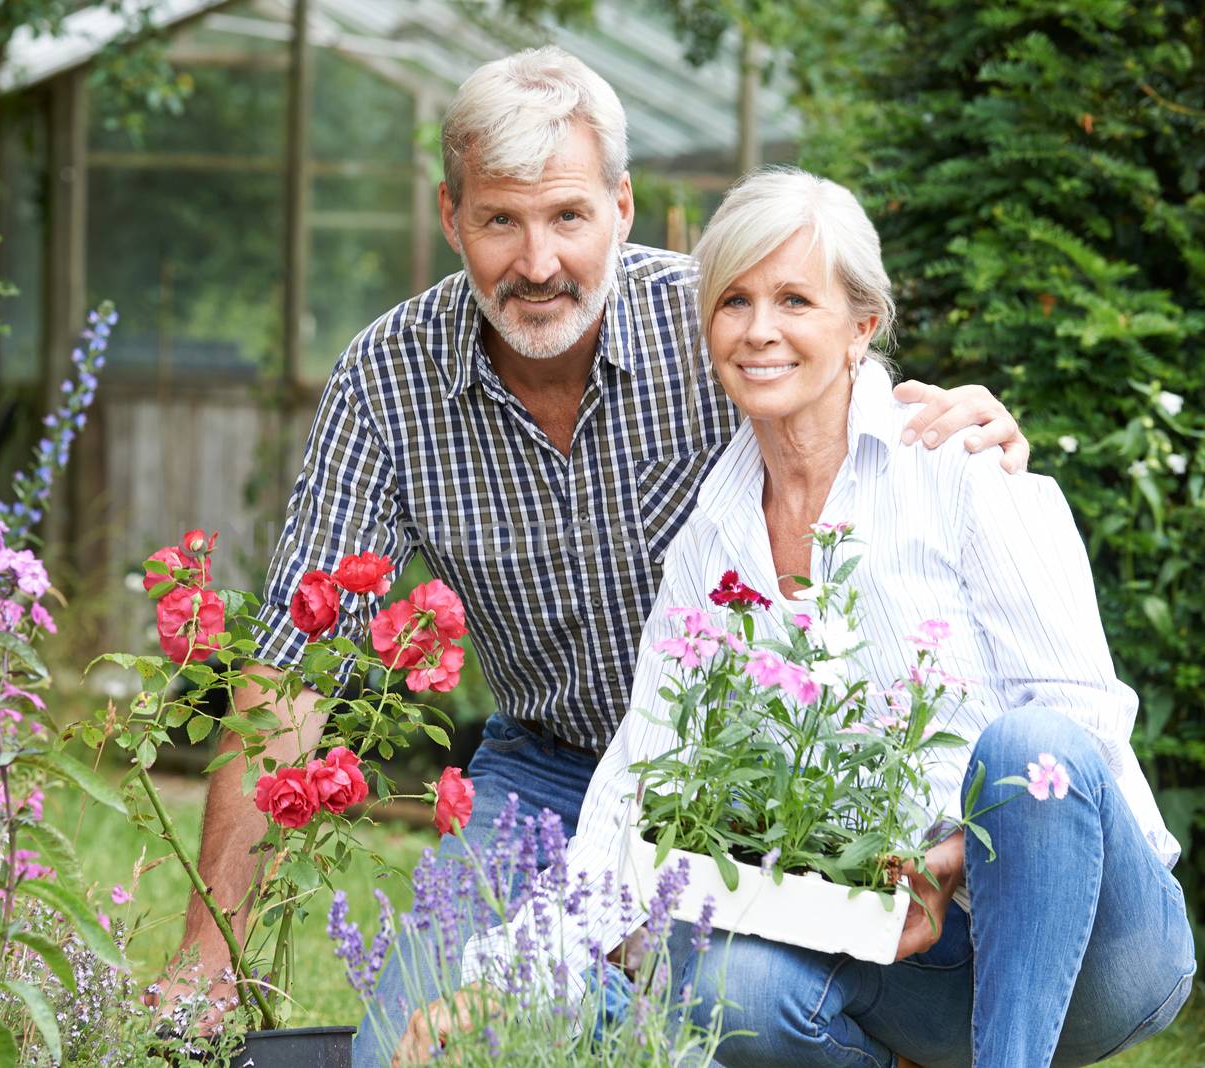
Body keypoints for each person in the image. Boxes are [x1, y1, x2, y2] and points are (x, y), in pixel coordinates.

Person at [148, 49, 1029, 1067]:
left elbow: (852, 409)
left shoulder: (714, 323)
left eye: (566, 216)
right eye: (499, 221)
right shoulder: (386, 382)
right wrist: (209, 958)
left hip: (740, 783)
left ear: (622, 205)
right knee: (411, 1041)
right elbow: (296, 676)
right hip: (547, 777)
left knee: (735, 1013)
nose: (536, 262)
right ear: (450, 217)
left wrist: (966, 422)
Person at [437, 168, 1194, 1068]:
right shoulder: (709, 545)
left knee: (1031, 743)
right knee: (727, 986)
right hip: (914, 961)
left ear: (860, 326)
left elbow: (1085, 732)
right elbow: (637, 782)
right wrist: (498, 978)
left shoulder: (958, 467)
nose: (760, 330)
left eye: (795, 299)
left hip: (1098, 953)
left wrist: (958, 849)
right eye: (734, 302)